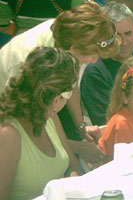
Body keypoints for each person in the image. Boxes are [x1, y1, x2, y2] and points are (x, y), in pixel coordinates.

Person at [0, 47, 82, 200]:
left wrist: (73, 185)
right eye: (70, 93)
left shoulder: (50, 117)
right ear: (56, 99)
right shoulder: (7, 135)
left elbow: (73, 164)